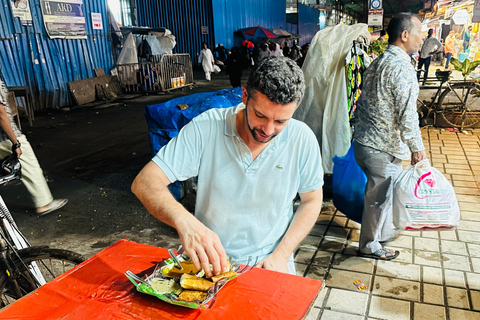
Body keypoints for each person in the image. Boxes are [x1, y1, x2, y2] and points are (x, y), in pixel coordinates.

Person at [132, 57, 324, 276]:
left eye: (281, 121)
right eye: (260, 115)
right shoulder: (207, 127)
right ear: (244, 96)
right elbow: (145, 182)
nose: (268, 130)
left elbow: (312, 200)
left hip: (271, 262)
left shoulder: (302, 138)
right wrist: (185, 222)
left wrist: (281, 254)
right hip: (209, 261)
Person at [352, 13, 427, 260]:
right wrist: (417, 147)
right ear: (404, 35)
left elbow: (362, 100)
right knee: (378, 200)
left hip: (364, 140)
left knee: (380, 196)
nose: (421, 38)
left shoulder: (379, 61)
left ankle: (383, 232)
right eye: (419, 32)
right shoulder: (403, 67)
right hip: (382, 147)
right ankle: (369, 245)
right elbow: (407, 116)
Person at [0, 77, 68, 216]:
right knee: (31, 167)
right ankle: (44, 204)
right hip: (4, 137)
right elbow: (1, 113)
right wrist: (15, 142)